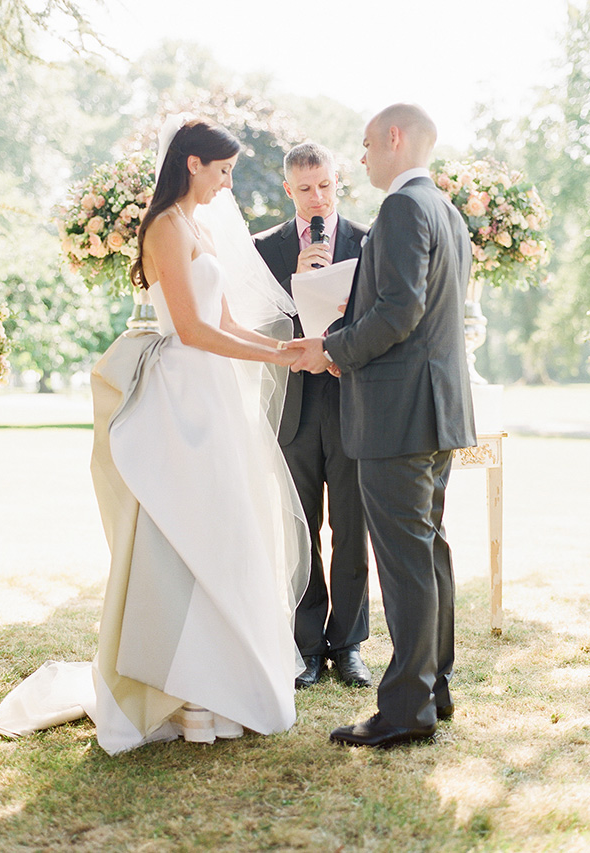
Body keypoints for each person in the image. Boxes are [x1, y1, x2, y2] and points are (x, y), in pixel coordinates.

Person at [0, 117, 310, 755]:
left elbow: (225, 319)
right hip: (183, 395)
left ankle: (223, 685)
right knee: (187, 530)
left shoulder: (200, 226)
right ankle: (185, 689)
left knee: (228, 526)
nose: (228, 184)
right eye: (223, 171)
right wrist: (276, 359)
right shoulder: (163, 226)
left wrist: (284, 348)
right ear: (192, 164)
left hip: (213, 394)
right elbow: (190, 331)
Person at [288, 104, 476, 748]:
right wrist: (341, 336)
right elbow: (412, 315)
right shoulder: (445, 210)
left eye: (367, 145)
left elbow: (399, 310)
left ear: (395, 139)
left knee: (406, 565)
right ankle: (433, 688)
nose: (362, 158)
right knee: (429, 554)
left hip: (398, 416)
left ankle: (404, 710)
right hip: (434, 411)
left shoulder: (400, 209)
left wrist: (332, 350)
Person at [253, 143, 371, 689]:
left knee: (350, 529)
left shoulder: (368, 242)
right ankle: (305, 646)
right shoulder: (263, 249)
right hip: (293, 409)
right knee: (300, 531)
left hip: (352, 403)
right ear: (288, 191)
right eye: (304, 189)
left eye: (323, 185)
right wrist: (293, 284)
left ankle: (348, 645)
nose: (316, 198)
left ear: (338, 181)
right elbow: (253, 326)